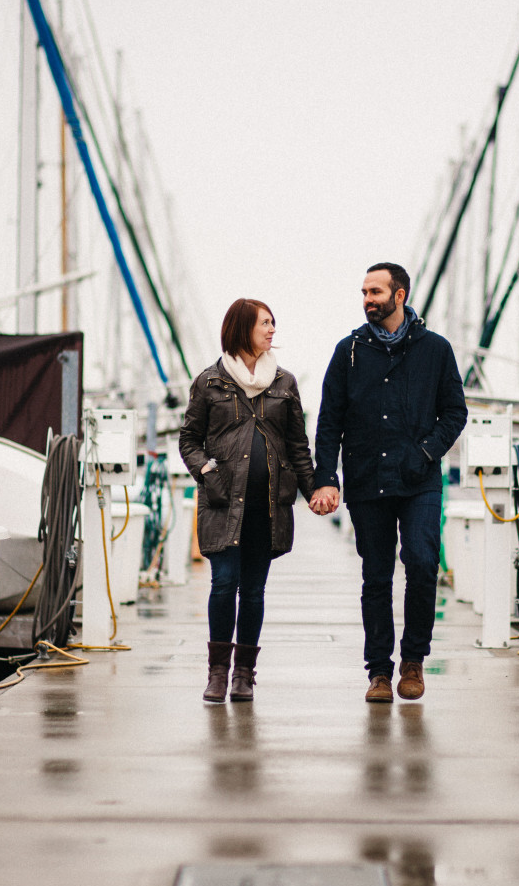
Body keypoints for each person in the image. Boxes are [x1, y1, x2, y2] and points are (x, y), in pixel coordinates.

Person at [310, 263, 467, 702]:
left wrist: (425, 452)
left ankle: (413, 661)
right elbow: (329, 420)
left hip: (418, 478)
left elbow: (455, 412)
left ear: (400, 295)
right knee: (376, 577)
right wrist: (327, 477)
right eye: (363, 292)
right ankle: (379, 671)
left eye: (375, 291)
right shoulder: (349, 351)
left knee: (421, 563)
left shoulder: (435, 349)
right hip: (366, 480)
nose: (367, 299)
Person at [179, 299, 315, 702]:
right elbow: (189, 439)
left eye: (274, 322)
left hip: (268, 506)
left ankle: (244, 674)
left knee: (253, 592)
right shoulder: (210, 382)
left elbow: (297, 445)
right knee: (223, 585)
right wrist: (206, 471)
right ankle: (217, 672)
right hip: (223, 504)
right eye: (265, 323)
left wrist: (317, 491)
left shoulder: (285, 383)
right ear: (242, 328)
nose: (272, 330)